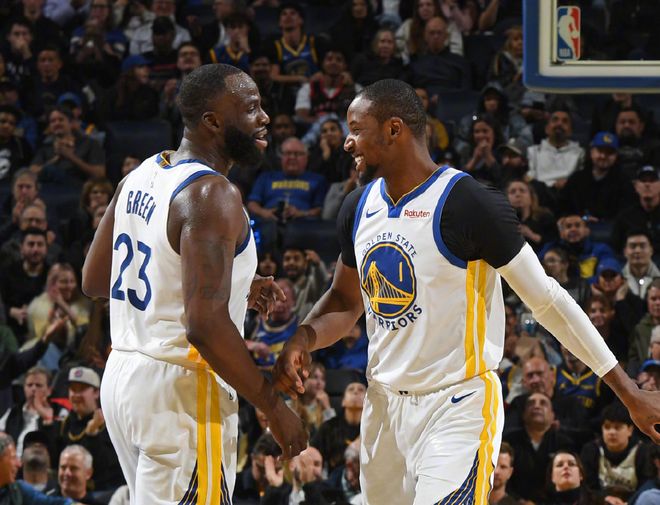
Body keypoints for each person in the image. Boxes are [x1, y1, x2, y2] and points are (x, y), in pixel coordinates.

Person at [272, 79, 660, 505]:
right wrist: (303, 337)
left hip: (457, 405)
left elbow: (548, 300)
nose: (348, 142)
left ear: (394, 129)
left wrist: (627, 390)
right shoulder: (357, 206)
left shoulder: (468, 202)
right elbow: (346, 300)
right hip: (382, 407)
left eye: (356, 129)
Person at [81, 63, 307, 503]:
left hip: (125, 378)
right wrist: (273, 407)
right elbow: (204, 326)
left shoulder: (141, 174)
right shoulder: (211, 194)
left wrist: (232, 284)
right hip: (182, 390)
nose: (264, 118)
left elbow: (95, 278)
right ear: (213, 121)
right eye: (251, 108)